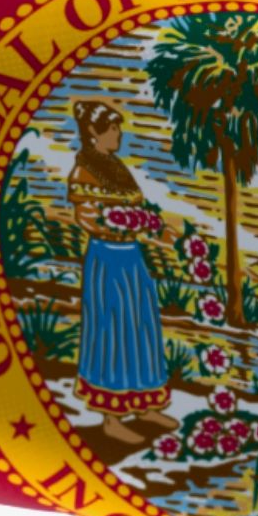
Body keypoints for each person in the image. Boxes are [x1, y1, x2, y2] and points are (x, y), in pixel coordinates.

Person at [64, 98, 173, 413]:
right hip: (107, 256)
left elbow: (135, 209)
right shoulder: (84, 169)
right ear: (95, 133)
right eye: (113, 129)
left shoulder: (117, 167)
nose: (119, 135)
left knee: (140, 323)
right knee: (112, 327)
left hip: (130, 255)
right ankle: (111, 415)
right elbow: (86, 215)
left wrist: (147, 224)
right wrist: (114, 222)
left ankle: (146, 404)